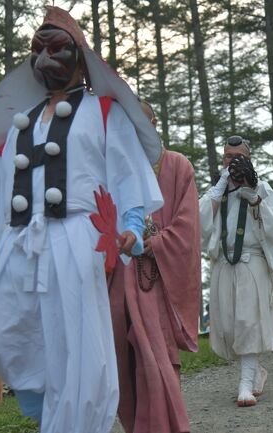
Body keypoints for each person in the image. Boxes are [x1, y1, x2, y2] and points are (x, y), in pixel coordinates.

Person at [0, 7, 163, 433]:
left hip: (76, 240)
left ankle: (73, 425)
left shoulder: (104, 112)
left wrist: (131, 227)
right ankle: (46, 419)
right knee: (9, 336)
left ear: (80, 57)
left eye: (58, 48)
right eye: (37, 50)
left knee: (74, 346)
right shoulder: (23, 123)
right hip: (19, 244)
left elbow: (127, 173)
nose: (46, 58)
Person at [109, 99, 201, 433]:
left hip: (156, 277)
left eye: (142, 123)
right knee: (122, 356)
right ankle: (135, 424)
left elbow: (188, 226)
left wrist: (155, 244)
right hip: (118, 273)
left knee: (156, 356)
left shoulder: (178, 166)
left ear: (155, 123)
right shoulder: (113, 168)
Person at [199, 135, 273, 407]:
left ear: (249, 159)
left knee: (248, 322)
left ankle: (245, 384)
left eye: (239, 157)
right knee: (229, 327)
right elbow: (199, 225)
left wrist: (255, 197)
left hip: (251, 262)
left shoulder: (263, 188)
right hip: (224, 264)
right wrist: (220, 186)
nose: (233, 161)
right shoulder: (216, 191)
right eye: (228, 156)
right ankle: (255, 370)